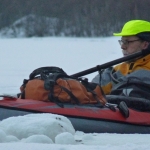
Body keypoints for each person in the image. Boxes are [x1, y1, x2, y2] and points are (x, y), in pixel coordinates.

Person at [92, 20, 150, 99]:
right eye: (122, 41)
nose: (122, 46)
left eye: (127, 42)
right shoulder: (118, 70)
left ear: (145, 44)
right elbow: (92, 90)